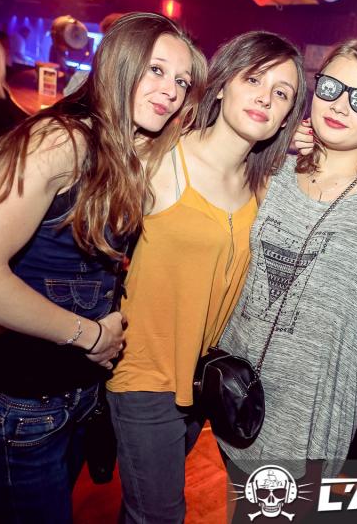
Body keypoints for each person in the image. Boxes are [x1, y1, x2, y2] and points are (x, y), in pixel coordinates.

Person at [0, 12, 205, 524]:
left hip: (77, 397)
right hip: (26, 404)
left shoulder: (124, 148)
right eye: (156, 70)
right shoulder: (60, 140)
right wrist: (90, 335)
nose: (170, 90)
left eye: (181, 80)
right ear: (120, 64)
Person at [105, 31, 306, 524]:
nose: (265, 97)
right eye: (253, 79)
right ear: (222, 85)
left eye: (281, 93)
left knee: (141, 511)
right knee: (161, 515)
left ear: (287, 116)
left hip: (200, 383)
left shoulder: (264, 186)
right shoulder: (159, 158)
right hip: (143, 375)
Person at [217, 38, 357, 489]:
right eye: (331, 88)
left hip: (311, 414)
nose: (341, 105)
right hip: (236, 390)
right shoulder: (271, 172)